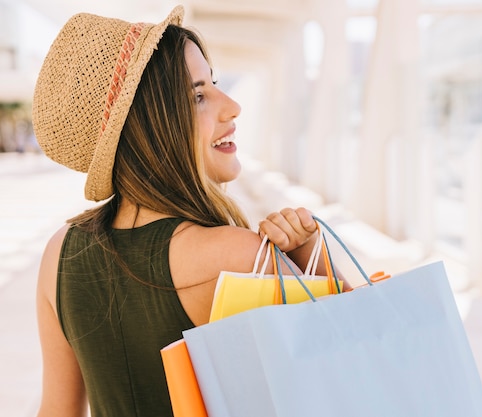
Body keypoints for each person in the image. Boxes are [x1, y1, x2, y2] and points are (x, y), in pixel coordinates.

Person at [32, 6, 345, 417]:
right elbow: (349, 371)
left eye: (214, 84)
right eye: (198, 96)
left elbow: (57, 411)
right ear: (152, 125)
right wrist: (309, 257)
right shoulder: (238, 257)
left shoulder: (61, 253)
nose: (231, 105)